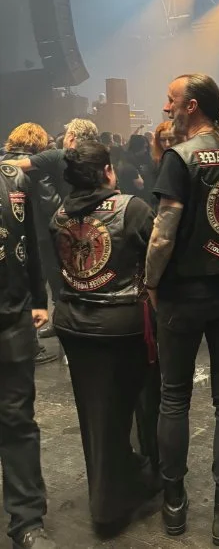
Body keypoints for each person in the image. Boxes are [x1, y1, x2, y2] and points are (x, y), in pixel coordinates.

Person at [145, 74, 219, 545]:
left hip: (182, 295)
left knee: (174, 398)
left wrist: (150, 282)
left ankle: (174, 506)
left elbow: (163, 234)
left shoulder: (180, 157)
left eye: (171, 100)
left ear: (191, 106)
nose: (165, 107)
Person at [50, 141, 159, 534]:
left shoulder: (58, 214)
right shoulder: (133, 208)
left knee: (95, 414)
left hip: (73, 324)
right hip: (122, 324)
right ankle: (116, 501)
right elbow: (158, 258)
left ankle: (116, 486)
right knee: (131, 407)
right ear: (107, 171)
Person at [0, 160, 55, 548]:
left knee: (17, 419)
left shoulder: (14, 180)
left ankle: (27, 521)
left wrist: (38, 298)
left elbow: (32, 243)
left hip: (12, 316)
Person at [2, 124, 62, 355]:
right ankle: (32, 342)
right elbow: (49, 202)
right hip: (37, 232)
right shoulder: (37, 166)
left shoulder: (3, 162)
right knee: (41, 282)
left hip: (7, 234)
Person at [5, 119, 99, 205]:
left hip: (66, 214)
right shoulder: (100, 158)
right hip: (94, 212)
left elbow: (16, 165)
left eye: (65, 134)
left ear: (71, 136)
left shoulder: (57, 155)